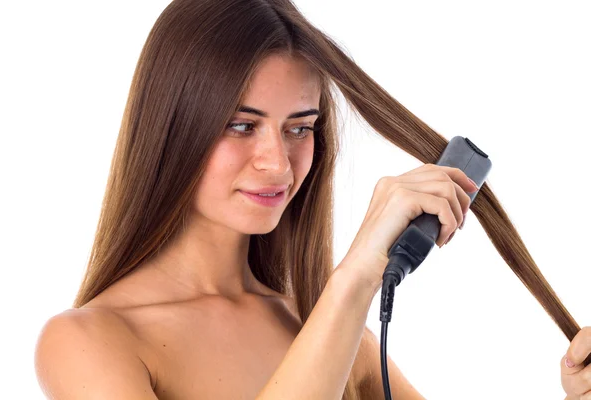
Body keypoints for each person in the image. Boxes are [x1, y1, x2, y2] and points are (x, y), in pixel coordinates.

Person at [34, 1, 591, 399]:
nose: (277, 163)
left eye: (300, 128)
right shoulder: (86, 343)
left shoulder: (314, 320)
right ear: (172, 129)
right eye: (240, 125)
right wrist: (354, 277)